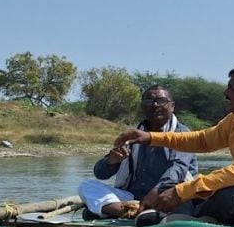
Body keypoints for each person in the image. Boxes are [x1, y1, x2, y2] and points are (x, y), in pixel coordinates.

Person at [112, 66, 234, 227]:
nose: (225, 93)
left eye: (231, 88)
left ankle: (189, 220)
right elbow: (203, 140)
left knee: (224, 194)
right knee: (206, 190)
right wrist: (150, 137)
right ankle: (193, 219)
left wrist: (182, 191)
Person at [79, 85, 198, 219]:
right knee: (87, 186)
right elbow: (100, 174)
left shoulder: (183, 134)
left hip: (167, 195)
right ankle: (130, 212)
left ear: (172, 106)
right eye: (149, 101)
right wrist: (111, 161)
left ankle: (114, 211)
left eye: (161, 101)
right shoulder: (133, 134)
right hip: (133, 197)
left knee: (183, 205)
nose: (155, 105)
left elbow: (177, 169)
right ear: (143, 107)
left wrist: (155, 192)